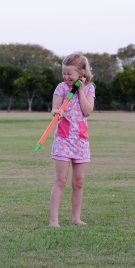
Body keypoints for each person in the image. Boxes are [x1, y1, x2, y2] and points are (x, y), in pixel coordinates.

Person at [49, 53, 95, 227]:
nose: (66, 77)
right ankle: (54, 220)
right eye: (64, 73)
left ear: (81, 72)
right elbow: (55, 107)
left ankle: (76, 218)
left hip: (80, 140)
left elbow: (87, 111)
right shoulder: (61, 87)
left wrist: (80, 90)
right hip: (63, 138)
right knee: (61, 180)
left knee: (79, 182)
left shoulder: (89, 89)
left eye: (70, 73)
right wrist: (56, 111)